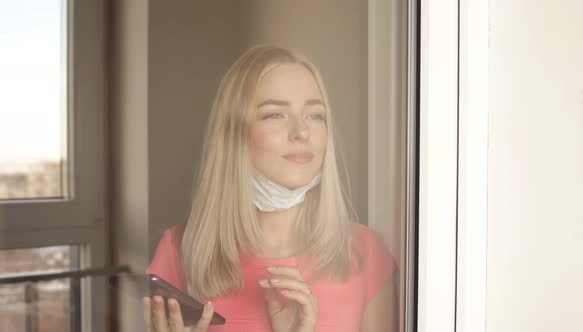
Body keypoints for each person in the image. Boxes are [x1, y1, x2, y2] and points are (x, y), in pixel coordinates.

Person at [143, 45, 397, 332]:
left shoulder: (366, 255)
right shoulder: (179, 250)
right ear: (233, 134)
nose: (301, 132)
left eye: (315, 115)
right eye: (275, 115)